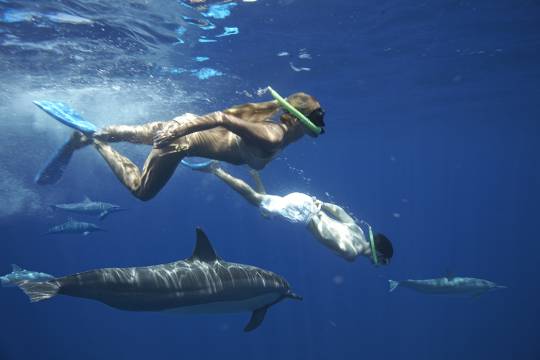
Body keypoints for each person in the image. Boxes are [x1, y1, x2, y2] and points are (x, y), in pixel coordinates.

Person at [35, 88, 325, 201]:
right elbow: (223, 118)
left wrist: (181, 125)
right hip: (181, 139)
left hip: (183, 127)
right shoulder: (273, 135)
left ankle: (90, 135)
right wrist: (181, 130)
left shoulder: (276, 133)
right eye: (317, 117)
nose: (321, 123)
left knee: (129, 133)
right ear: (297, 120)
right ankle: (95, 142)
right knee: (142, 191)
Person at [182, 160, 393, 265]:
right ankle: (215, 170)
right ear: (379, 254)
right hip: (301, 216)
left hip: (307, 202)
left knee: (265, 210)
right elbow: (325, 236)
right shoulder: (352, 254)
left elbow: (337, 209)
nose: (380, 265)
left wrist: (319, 205)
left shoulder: (356, 228)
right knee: (255, 200)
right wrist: (313, 218)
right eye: (382, 262)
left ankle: (255, 174)